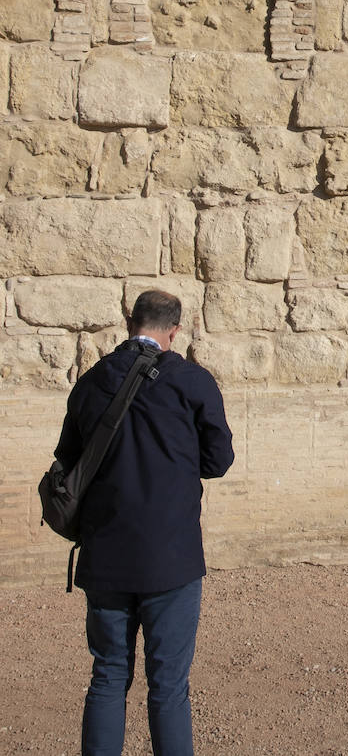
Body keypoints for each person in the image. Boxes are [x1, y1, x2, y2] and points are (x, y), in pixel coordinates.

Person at [54, 288, 234, 756]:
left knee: (109, 677)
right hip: (170, 557)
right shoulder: (192, 381)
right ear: (175, 329)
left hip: (106, 554)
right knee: (169, 685)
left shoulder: (93, 380)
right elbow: (218, 460)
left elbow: (67, 462)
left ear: (129, 321)